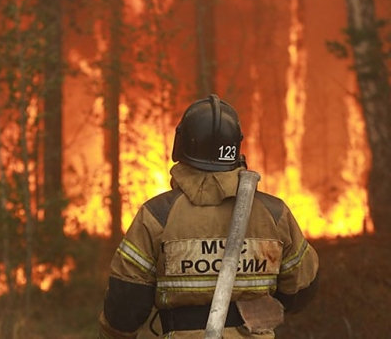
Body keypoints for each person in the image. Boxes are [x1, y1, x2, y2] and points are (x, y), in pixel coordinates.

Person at [98, 94, 319, 338]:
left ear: (180, 145)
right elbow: (300, 292)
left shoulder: (157, 216)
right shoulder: (274, 214)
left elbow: (125, 307)